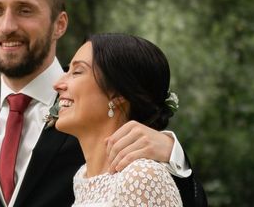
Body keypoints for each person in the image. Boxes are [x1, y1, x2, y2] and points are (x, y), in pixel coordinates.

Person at [0, 0, 206, 207]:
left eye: (24, 10)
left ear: (59, 24)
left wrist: (174, 155)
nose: (7, 26)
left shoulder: (94, 103)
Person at [54, 33, 184, 206]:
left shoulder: (141, 177)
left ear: (117, 94)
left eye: (77, 72)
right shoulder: (83, 176)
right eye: (66, 71)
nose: (57, 84)